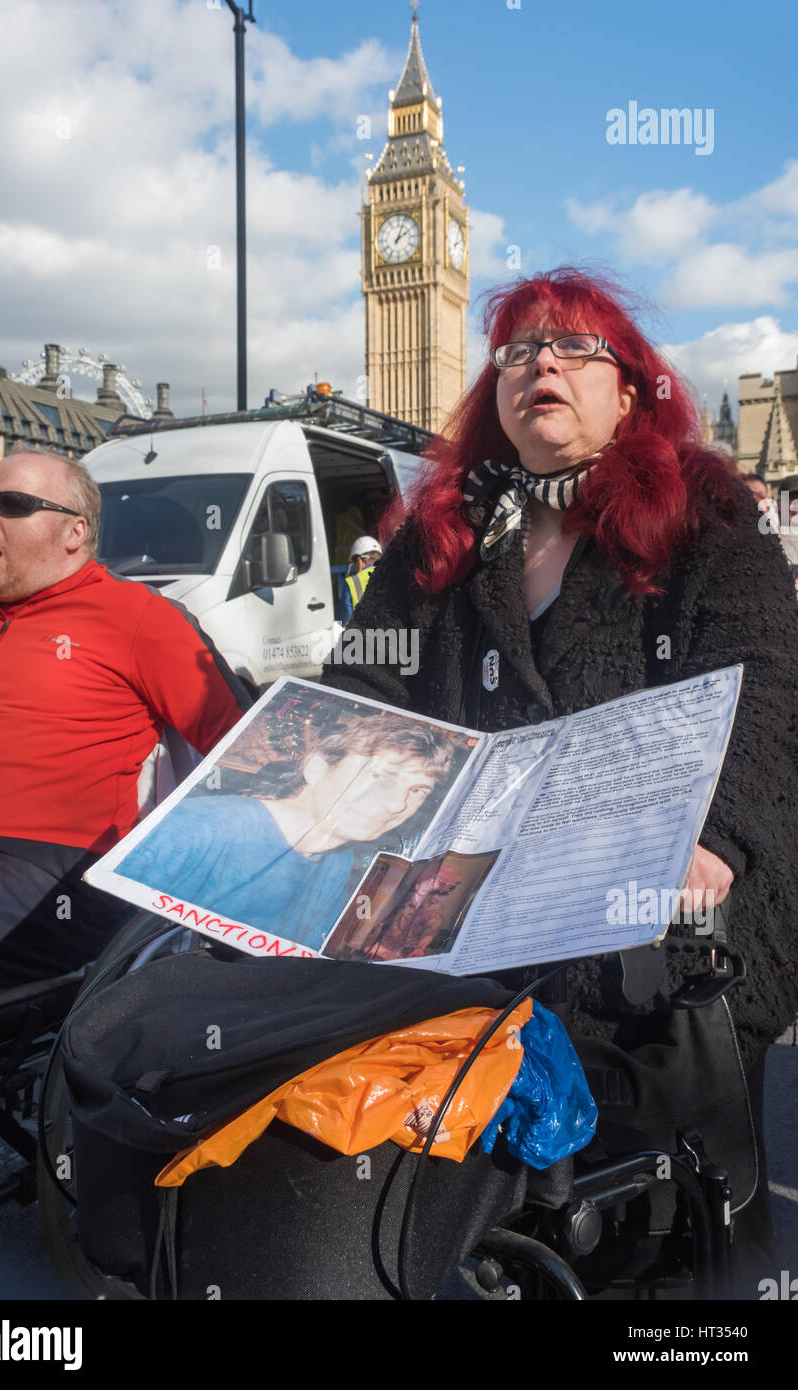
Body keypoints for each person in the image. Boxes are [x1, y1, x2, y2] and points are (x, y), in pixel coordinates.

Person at [321, 267, 798, 1296]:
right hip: (471, 927)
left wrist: (713, 838)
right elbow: (364, 685)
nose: (540, 362)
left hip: (658, 938)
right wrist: (328, 781)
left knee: (673, 1233)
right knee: (484, 1212)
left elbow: (766, 694)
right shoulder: (444, 533)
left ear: (629, 391)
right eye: (517, 351)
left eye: (573, 348)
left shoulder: (710, 522)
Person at [0, 448, 250, 1009]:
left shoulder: (139, 616)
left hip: (47, 870)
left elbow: (248, 755)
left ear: (73, 532)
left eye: (12, 505)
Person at [118, 713, 454, 951]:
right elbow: (117, 945)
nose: (397, 805)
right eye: (380, 777)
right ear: (317, 767)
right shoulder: (198, 827)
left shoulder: (338, 860)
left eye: (418, 791)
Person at [338, 535, 383, 623]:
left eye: (353, 564)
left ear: (359, 561)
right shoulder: (395, 575)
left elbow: (345, 620)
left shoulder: (352, 584)